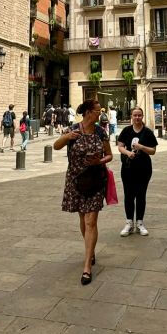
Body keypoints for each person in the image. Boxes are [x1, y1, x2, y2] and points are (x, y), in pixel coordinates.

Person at [54, 99, 113, 285]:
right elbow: (56, 146)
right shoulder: (73, 129)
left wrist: (99, 162)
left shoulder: (100, 132)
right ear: (88, 112)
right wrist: (66, 137)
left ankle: (87, 265)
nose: (100, 114)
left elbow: (109, 155)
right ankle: (91, 250)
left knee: (91, 220)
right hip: (76, 181)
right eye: (97, 111)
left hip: (96, 179)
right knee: (83, 219)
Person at [116, 106, 158, 236]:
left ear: (142, 116)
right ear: (131, 117)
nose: (137, 117)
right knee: (128, 195)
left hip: (144, 168)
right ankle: (129, 222)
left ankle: (140, 222)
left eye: (139, 115)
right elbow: (120, 147)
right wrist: (128, 153)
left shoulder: (147, 132)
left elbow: (153, 151)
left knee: (141, 195)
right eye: (135, 115)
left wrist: (141, 147)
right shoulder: (126, 131)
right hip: (128, 168)